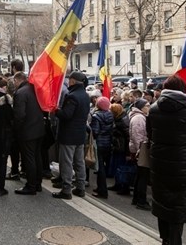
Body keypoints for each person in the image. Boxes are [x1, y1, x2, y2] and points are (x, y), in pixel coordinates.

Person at [147, 75, 186, 245]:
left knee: (162, 202)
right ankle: (175, 241)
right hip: (181, 165)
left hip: (159, 162)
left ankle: (165, 239)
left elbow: (150, 134)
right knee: (177, 205)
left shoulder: (154, 108)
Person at [52, 71, 91, 200]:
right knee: (79, 162)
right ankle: (80, 187)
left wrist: (56, 110)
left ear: (73, 81)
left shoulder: (72, 96)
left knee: (67, 162)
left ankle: (66, 189)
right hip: (80, 134)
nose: (68, 82)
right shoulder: (85, 95)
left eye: (69, 80)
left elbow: (67, 115)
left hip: (69, 135)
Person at [12, 72, 45, 195]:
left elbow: (19, 115)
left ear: (17, 80)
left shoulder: (20, 93)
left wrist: (16, 130)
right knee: (37, 157)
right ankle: (37, 183)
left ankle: (31, 185)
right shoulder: (35, 90)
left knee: (29, 158)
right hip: (39, 129)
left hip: (27, 131)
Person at [128, 98, 151, 210]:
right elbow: (137, 136)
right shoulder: (139, 118)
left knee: (140, 175)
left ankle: (136, 198)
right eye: (147, 105)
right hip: (141, 149)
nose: (149, 107)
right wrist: (139, 150)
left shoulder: (139, 117)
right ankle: (141, 201)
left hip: (140, 149)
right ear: (141, 107)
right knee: (143, 176)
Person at [90, 96, 114, 199]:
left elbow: (95, 132)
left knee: (100, 169)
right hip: (107, 143)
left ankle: (102, 191)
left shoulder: (96, 116)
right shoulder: (110, 115)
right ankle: (100, 188)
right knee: (102, 166)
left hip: (99, 144)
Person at [6, 58, 25, 180]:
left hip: (14, 116)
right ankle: (24, 169)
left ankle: (14, 170)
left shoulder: (10, 81)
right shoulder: (28, 79)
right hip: (26, 118)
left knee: (14, 147)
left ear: (13, 68)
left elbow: (8, 98)